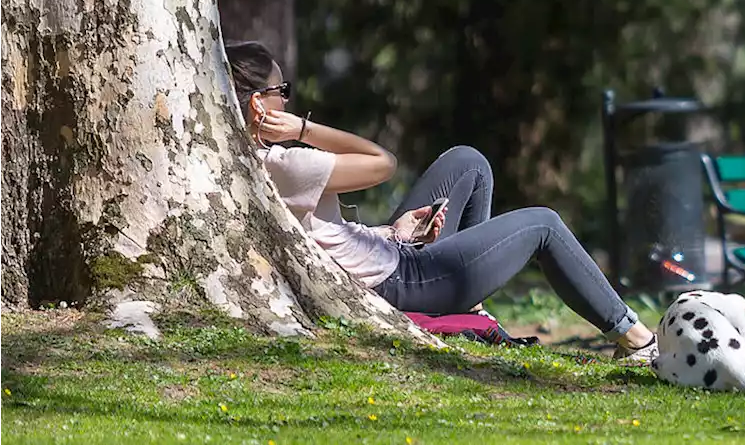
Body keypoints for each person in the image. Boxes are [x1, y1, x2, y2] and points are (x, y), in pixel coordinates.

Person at [223, 40, 658, 363]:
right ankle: (634, 338)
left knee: (468, 163)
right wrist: (302, 128)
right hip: (402, 282)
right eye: (284, 91)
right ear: (261, 106)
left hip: (387, 257)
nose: (290, 99)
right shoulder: (284, 164)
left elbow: (319, 236)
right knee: (542, 224)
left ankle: (469, 309)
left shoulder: (244, 163)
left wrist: (391, 232)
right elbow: (381, 163)